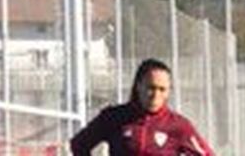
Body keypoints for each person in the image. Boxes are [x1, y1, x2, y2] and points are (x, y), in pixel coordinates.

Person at [70, 58, 215, 156]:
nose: (155, 95)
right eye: (150, 88)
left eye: (162, 89)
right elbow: (77, 146)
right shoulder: (113, 117)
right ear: (138, 86)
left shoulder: (179, 126)